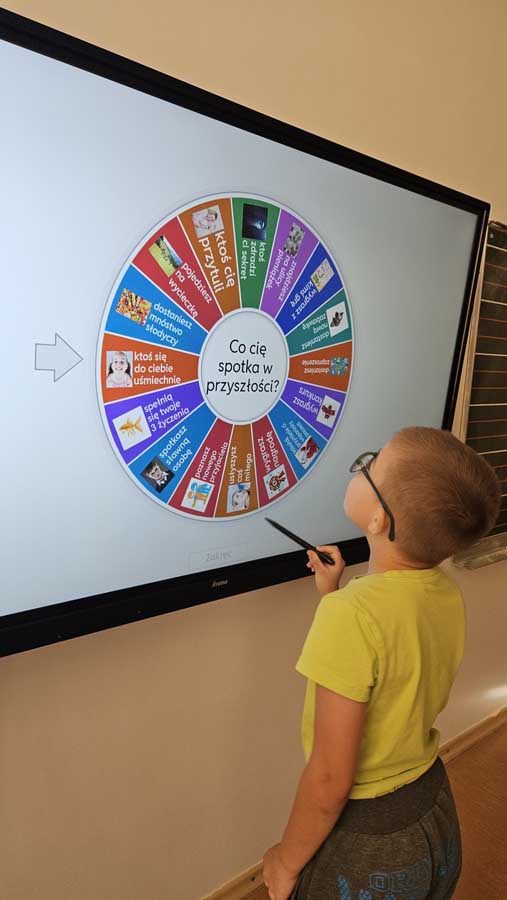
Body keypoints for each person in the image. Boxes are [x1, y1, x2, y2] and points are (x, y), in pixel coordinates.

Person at [262, 426, 500, 900]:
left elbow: (330, 777)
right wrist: (333, 592)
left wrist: (284, 862)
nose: (361, 467)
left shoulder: (351, 615)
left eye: (370, 465)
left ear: (378, 519)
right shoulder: (443, 589)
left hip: (369, 841)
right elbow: (389, 653)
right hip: (433, 811)